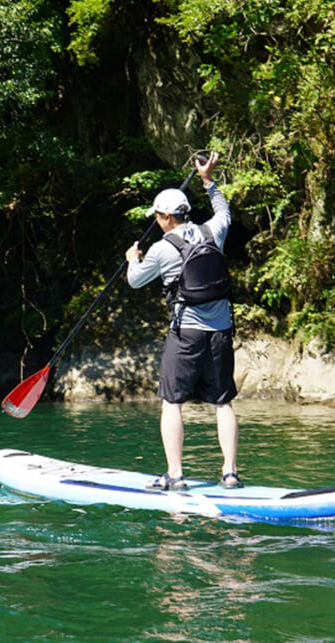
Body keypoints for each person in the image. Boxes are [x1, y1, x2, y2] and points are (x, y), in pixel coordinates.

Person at [125, 151, 242, 490]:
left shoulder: (162, 248)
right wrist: (208, 180)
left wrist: (134, 259)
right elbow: (224, 210)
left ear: (164, 217)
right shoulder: (213, 231)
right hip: (221, 332)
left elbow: (135, 281)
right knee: (223, 402)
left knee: (172, 402)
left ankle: (175, 475)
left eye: (158, 217)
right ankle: (230, 473)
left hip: (186, 334)